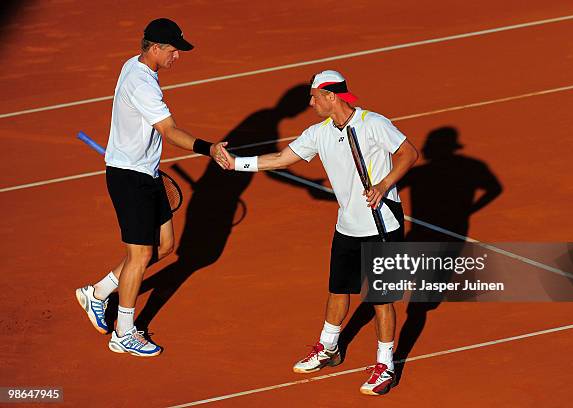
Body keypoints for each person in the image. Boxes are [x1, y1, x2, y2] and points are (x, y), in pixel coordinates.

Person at [219, 70, 418, 395]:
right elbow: (282, 158)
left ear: (330, 96)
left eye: (314, 97)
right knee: (338, 289)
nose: (311, 103)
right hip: (347, 226)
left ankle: (386, 366)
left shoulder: (373, 123)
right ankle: (329, 348)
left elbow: (409, 153)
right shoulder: (318, 133)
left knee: (381, 300)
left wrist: (383, 185)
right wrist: (237, 164)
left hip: (382, 225)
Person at [75, 18, 228, 357]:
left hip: (146, 172)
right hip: (130, 177)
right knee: (140, 254)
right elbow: (170, 131)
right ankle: (124, 332)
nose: (178, 56)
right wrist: (209, 148)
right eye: (174, 50)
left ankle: (98, 293)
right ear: (156, 48)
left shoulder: (134, 64)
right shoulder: (143, 84)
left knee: (165, 245)